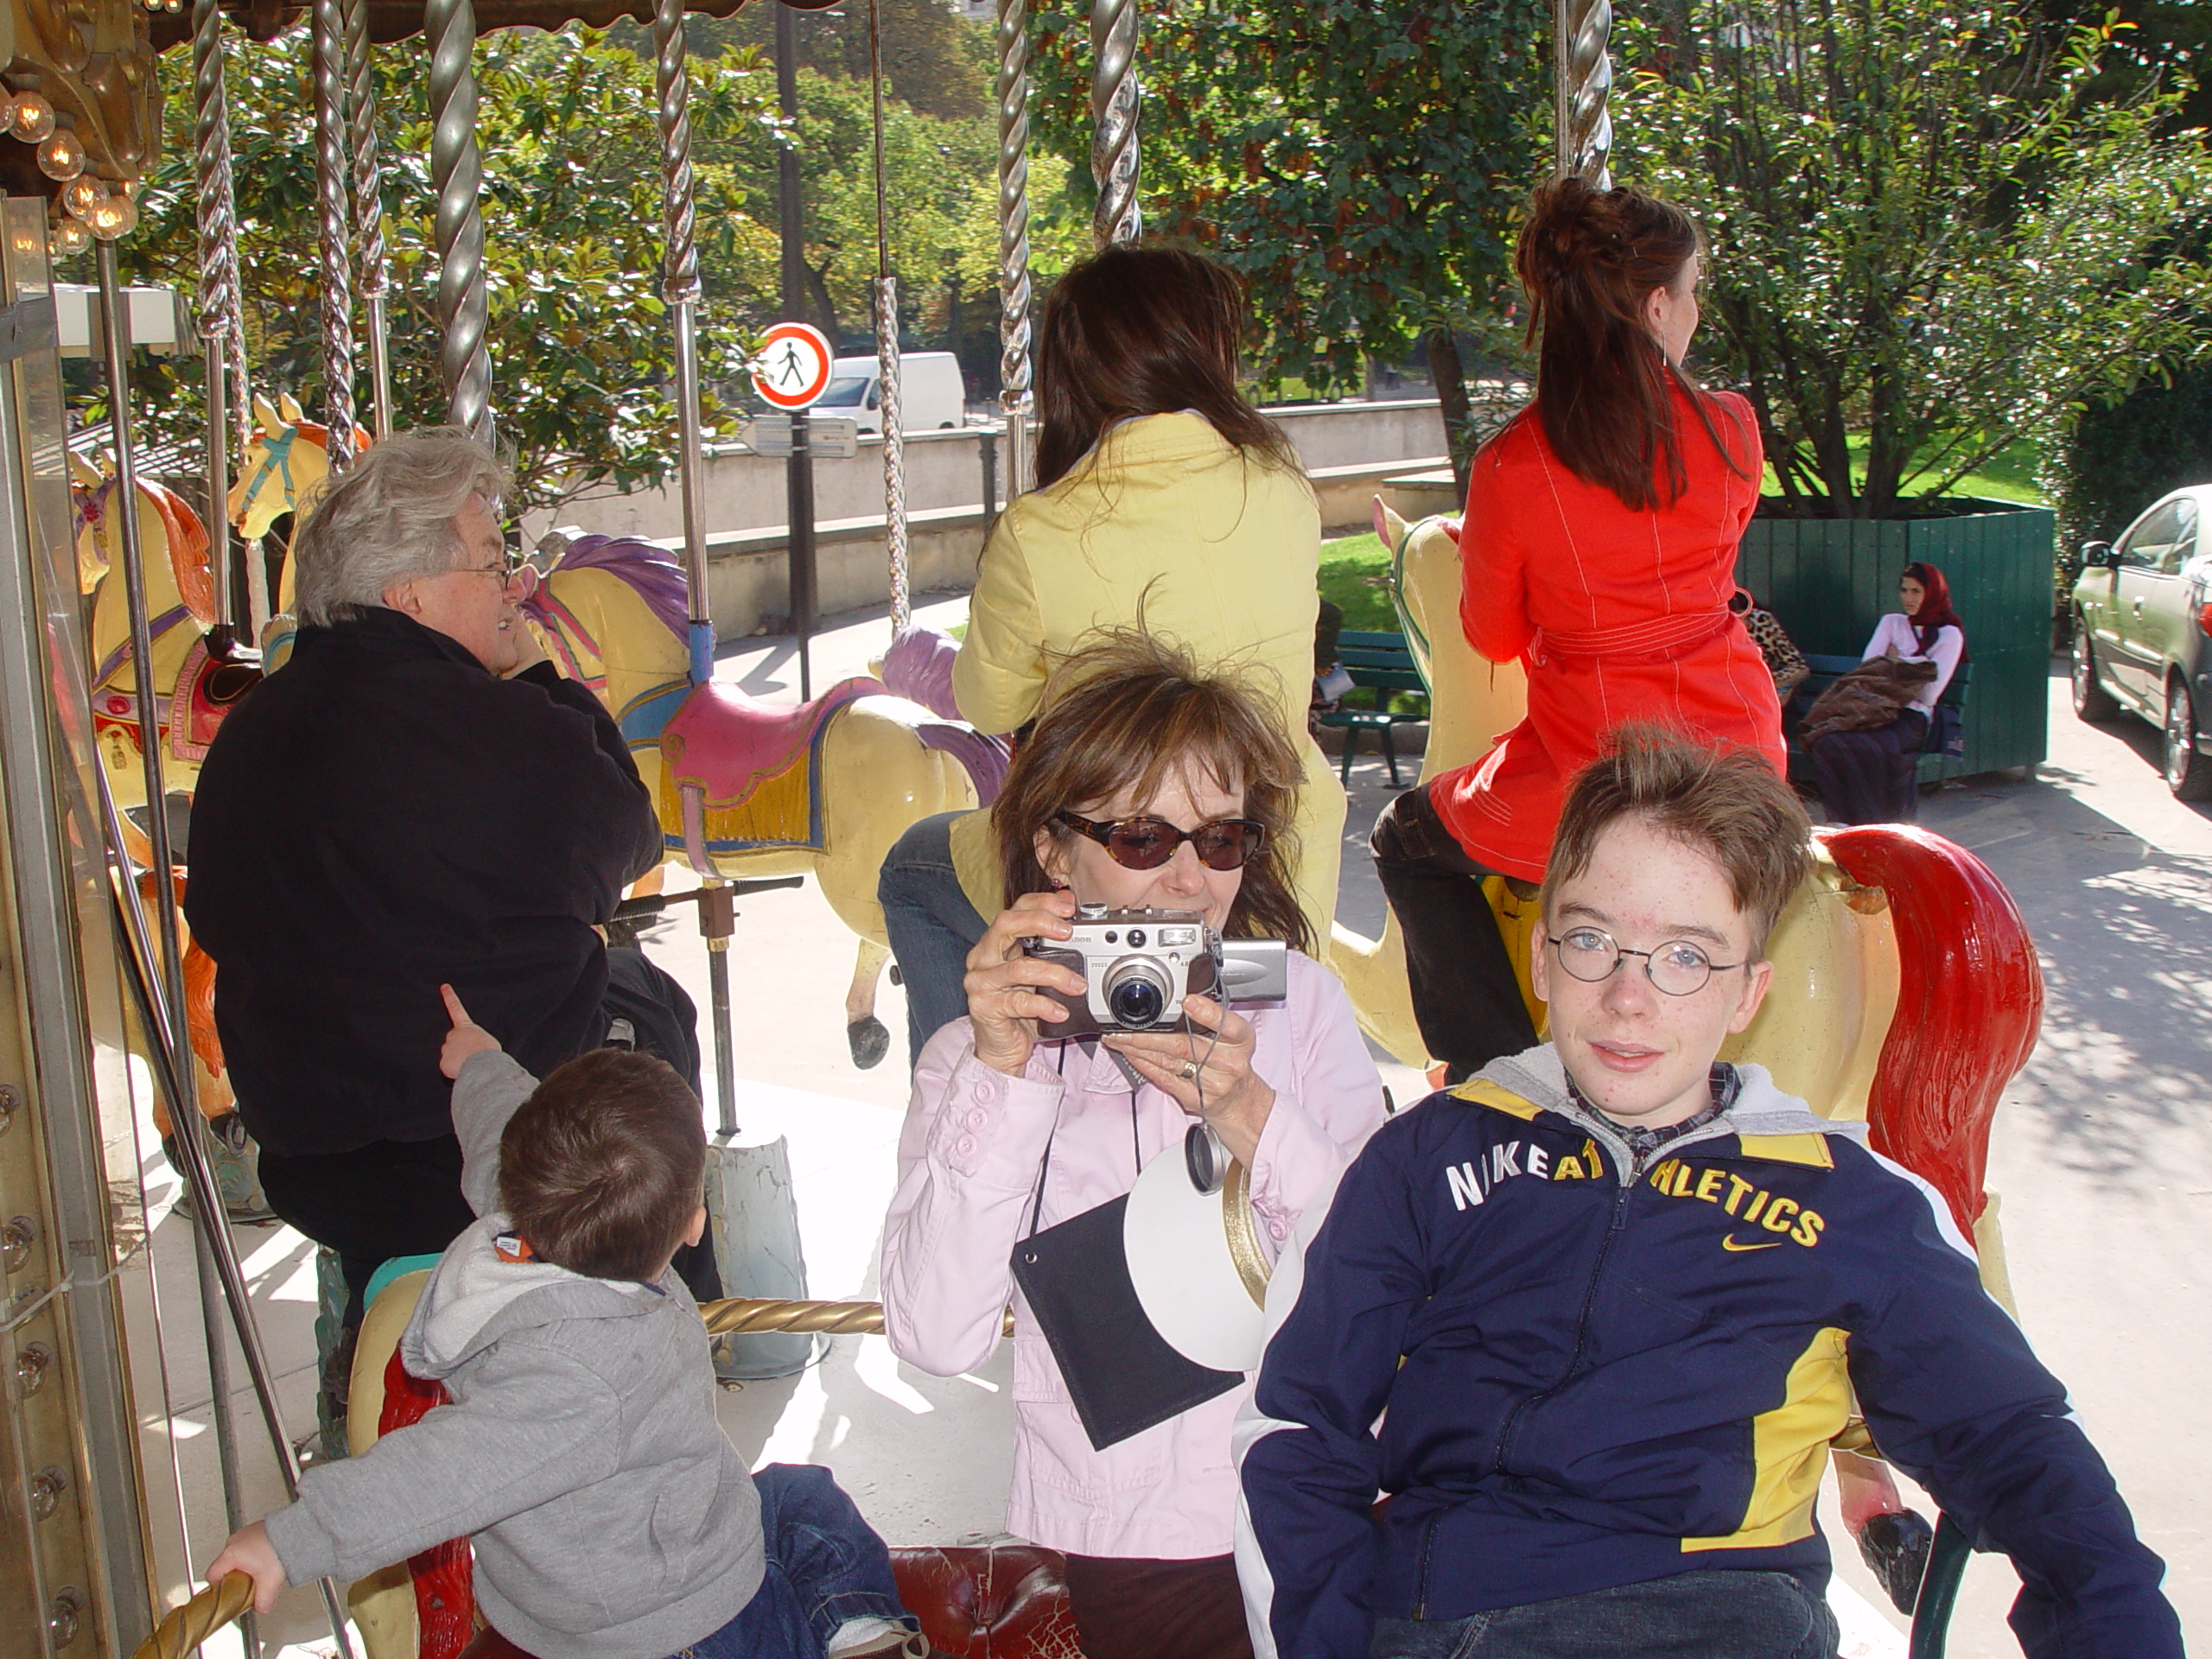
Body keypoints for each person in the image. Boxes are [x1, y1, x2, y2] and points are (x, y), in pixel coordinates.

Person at [1238, 728, 2181, 1659]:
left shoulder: (1854, 1203)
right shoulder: (1422, 1160)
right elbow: (1296, 1425)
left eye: (1686, 957)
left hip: (1722, 1617)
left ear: (1748, 995)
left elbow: (2011, 1438)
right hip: (1455, 1616)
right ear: (1538, 961)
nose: (1628, 998)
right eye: (1590, 941)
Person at [879, 638, 1386, 1659]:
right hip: (1144, 1535)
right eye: (1146, 839)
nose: (1193, 881)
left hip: (1334, 1487)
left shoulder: (1290, 997)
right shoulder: (977, 1059)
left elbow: (1383, 1284)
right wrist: (1001, 1078)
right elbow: (935, 1337)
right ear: (1056, 851)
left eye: (1224, 838)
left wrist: (1246, 1111)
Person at [185, 428, 708, 1344]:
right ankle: (674, 1320)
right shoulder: (501, 727)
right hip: (482, 1149)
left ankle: (361, 1340)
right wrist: (542, 673)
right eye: (491, 563)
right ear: (410, 593)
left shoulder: (251, 730)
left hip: (310, 1152)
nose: (513, 588)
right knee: (650, 1007)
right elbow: (630, 838)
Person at [205, 1001, 923, 1659]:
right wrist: (289, 1541)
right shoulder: (585, 1374)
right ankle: (857, 1636)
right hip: (668, 1622)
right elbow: (436, 1474)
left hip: (612, 1564)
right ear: (694, 1222)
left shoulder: (517, 1223)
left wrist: (481, 1063)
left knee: (793, 1494)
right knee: (804, 1513)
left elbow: (502, 1135)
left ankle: (857, 1633)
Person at [878, 244, 1345, 1065]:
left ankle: (967, 1084)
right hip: (1276, 855)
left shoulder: (1044, 526)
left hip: (1137, 863)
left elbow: (987, 704)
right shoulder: (1282, 488)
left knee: (914, 866)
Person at [1370, 176, 1783, 1084]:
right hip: (1734, 742)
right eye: (1691, 288)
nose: (1695, 308)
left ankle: (1491, 1073)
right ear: (1652, 303)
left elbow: (1488, 634)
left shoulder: (1513, 464)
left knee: (1405, 837)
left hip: (1591, 763)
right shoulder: (1729, 431)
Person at [1808, 562, 1966, 825]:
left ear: (1933, 593)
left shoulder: (1949, 635)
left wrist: (1895, 661)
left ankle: (1882, 825)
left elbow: (1928, 695)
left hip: (1912, 718)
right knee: (1828, 741)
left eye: (1917, 591)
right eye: (1904, 590)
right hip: (1873, 708)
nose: (1909, 598)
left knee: (1879, 749)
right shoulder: (1891, 622)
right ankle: (1844, 822)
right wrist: (1918, 665)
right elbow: (1868, 672)